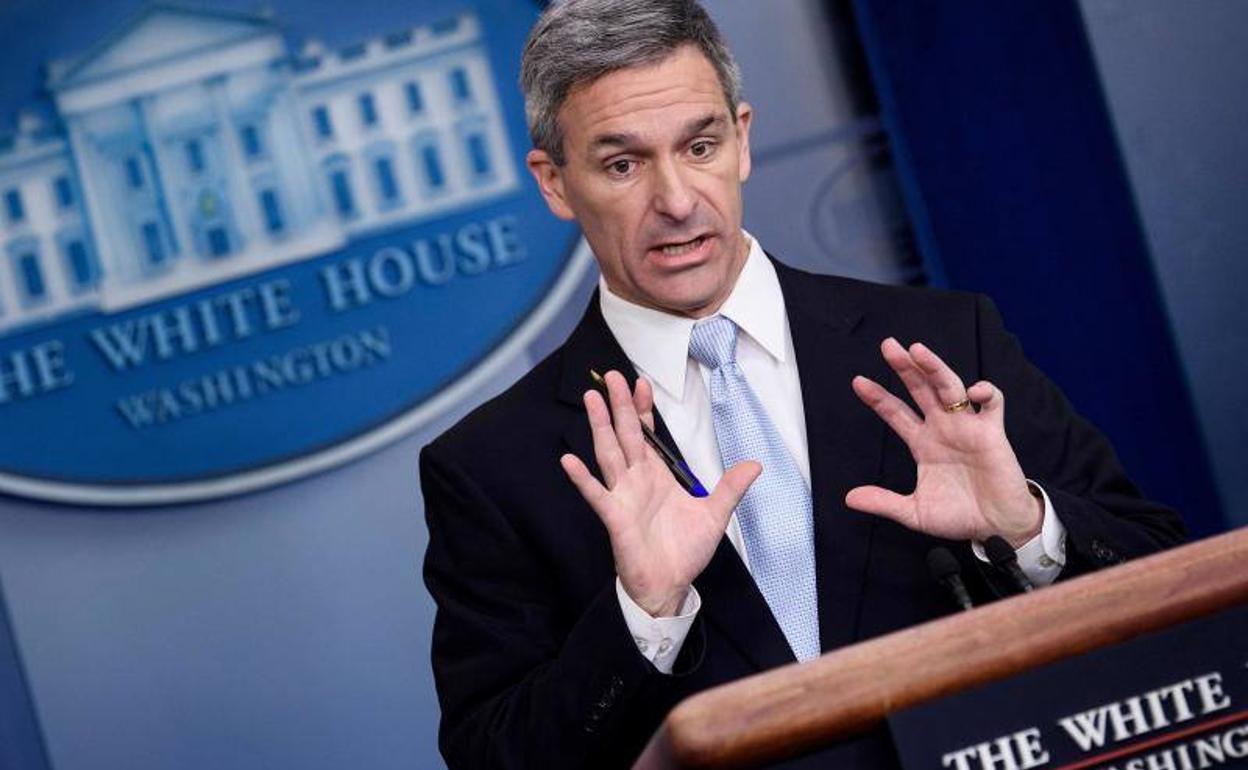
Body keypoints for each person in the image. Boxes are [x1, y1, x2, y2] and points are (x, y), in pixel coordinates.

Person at [419, 1, 1185, 767]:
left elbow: (1167, 581)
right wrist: (642, 615)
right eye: (623, 165)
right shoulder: (494, 466)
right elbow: (494, 757)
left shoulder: (945, 344)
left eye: (700, 146)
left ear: (743, 140)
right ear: (555, 184)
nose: (677, 201)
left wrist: (1026, 532)